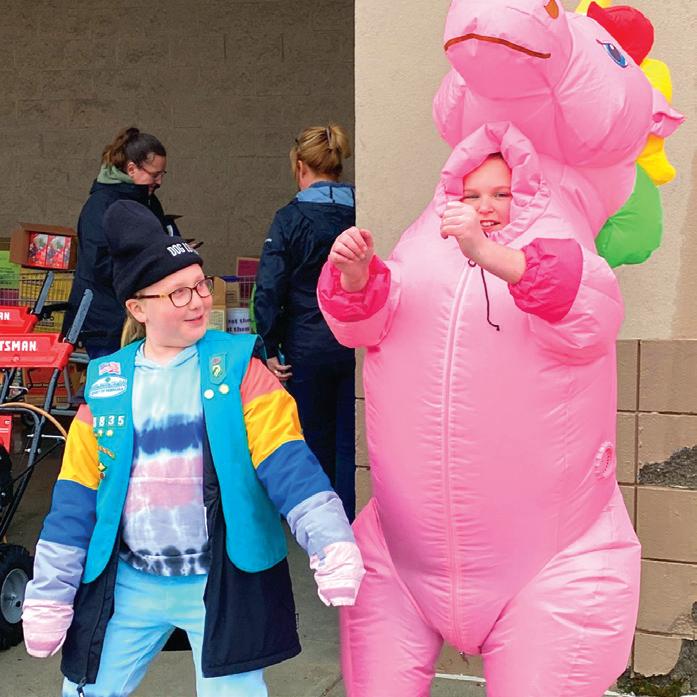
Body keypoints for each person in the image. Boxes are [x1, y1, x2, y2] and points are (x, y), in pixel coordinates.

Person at [318, 124, 641, 697]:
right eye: (471, 194)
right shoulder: (421, 256)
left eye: (501, 193)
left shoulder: (562, 253)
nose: (484, 206)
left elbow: (585, 304)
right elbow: (361, 326)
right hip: (402, 551)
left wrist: (487, 252)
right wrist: (355, 275)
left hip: (546, 564)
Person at [22, 200, 365, 697]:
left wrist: (330, 540)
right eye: (178, 292)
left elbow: (288, 463)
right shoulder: (108, 385)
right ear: (138, 308)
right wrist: (50, 593)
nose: (198, 301)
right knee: (85, 689)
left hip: (218, 582)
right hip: (131, 582)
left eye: (200, 285)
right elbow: (75, 498)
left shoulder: (240, 369)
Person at [254, 124, 358, 521]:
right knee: (353, 441)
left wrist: (268, 346)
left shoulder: (290, 218)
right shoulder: (361, 210)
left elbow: (269, 287)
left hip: (306, 345)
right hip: (357, 342)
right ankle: (353, 520)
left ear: (300, 167)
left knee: (312, 438)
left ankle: (322, 524)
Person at [62, 126, 173, 359]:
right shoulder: (99, 206)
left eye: (163, 174)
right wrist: (145, 272)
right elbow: (99, 262)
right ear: (131, 169)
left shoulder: (149, 201)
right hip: (105, 319)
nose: (160, 181)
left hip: (136, 313)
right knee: (113, 375)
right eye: (154, 175)